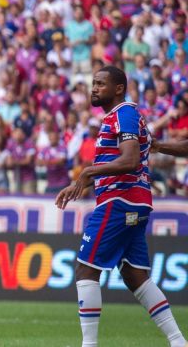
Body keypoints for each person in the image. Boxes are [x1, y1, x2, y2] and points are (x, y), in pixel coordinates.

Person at [55, 66, 186, 347]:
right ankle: (178, 341)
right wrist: (81, 184)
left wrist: (88, 171)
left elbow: (128, 161)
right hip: (134, 204)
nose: (94, 88)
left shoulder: (124, 114)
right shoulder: (125, 118)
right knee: (135, 275)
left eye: (100, 84)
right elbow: (143, 152)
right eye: (93, 83)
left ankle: (88, 345)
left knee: (85, 269)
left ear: (118, 88)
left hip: (120, 202)